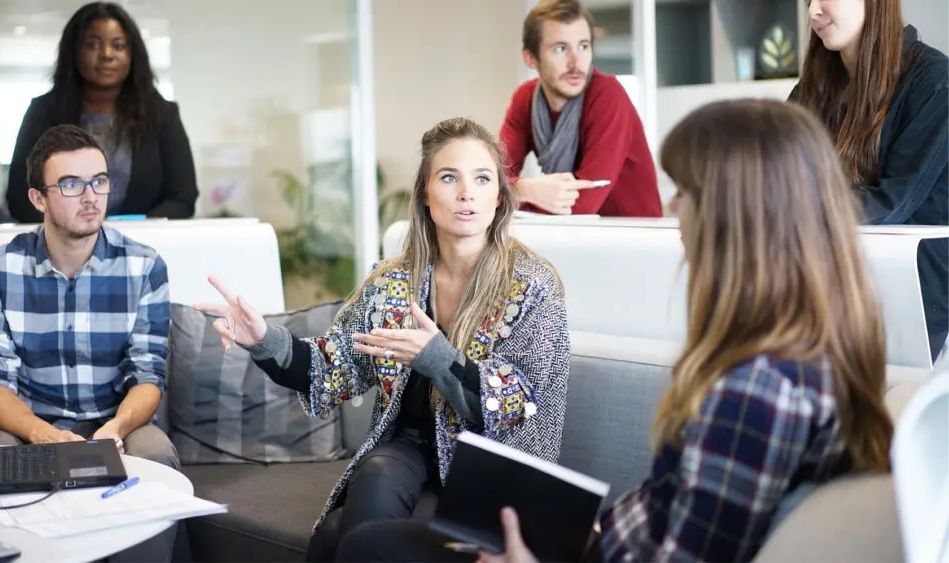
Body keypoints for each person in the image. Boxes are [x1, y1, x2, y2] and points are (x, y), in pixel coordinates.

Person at [333, 99, 894, 562]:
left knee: (368, 549)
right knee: (359, 538)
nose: (673, 210)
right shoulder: (796, 358)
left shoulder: (758, 392)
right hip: (598, 542)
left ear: (737, 217)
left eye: (687, 192)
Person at [197, 117, 571, 561]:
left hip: (489, 470)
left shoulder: (532, 285)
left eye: (482, 178)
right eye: (449, 177)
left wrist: (436, 357)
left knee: (340, 534)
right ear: (426, 197)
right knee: (375, 475)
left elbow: (516, 403)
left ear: (498, 197)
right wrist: (261, 338)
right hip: (409, 451)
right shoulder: (393, 282)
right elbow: (329, 368)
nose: (466, 192)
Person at [0, 124, 178, 471]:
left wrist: (116, 429)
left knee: (156, 454)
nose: (90, 196)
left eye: (99, 181)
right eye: (70, 184)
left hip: (117, 424)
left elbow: (148, 374)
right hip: (29, 426)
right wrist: (41, 433)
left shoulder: (144, 267)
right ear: (39, 199)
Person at [789, 0, 948, 362]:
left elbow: (892, 203)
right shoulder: (811, 90)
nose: (813, 10)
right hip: (830, 296)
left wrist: (787, 208)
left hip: (913, 306)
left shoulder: (935, 80)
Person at [5, 1, 198, 223]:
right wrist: (75, 230)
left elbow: (182, 198)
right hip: (62, 250)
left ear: (133, 54)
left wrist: (134, 233)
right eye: (93, 45)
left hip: (142, 248)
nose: (107, 55)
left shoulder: (162, 115)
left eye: (118, 46)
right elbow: (20, 198)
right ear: (74, 52)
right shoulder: (44, 113)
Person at [499, 0, 661, 218]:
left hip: (632, 237)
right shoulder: (525, 99)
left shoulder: (607, 95)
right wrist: (525, 189)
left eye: (583, 46)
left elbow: (583, 203)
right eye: (560, 48)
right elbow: (491, 180)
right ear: (531, 59)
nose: (576, 63)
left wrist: (512, 196)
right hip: (572, 235)